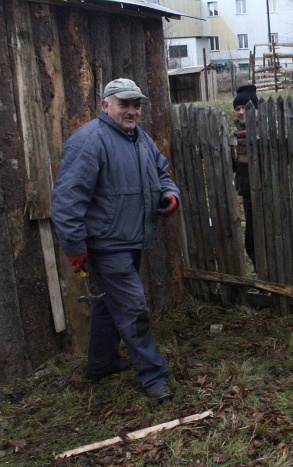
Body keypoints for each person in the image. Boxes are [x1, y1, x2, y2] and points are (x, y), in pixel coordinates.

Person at [51, 78, 180, 402]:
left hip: (133, 237)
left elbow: (162, 173)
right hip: (107, 243)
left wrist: (169, 195)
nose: (132, 110)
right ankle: (154, 378)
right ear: (105, 104)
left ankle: (101, 363)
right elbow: (67, 200)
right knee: (133, 308)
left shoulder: (140, 139)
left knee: (112, 303)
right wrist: (74, 246)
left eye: (136, 104)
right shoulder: (89, 141)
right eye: (124, 104)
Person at [231, 84, 259, 269]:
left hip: (268, 193)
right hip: (249, 194)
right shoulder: (234, 134)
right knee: (252, 242)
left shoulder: (268, 128)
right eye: (238, 109)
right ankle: (260, 273)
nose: (241, 112)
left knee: (269, 239)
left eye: (245, 107)